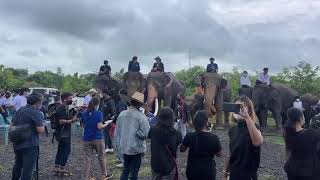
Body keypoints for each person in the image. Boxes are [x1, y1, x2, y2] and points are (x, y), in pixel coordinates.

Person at [224, 96, 264, 180]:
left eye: (243, 107)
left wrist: (246, 117)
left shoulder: (255, 127)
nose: (240, 110)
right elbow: (231, 153)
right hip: (234, 173)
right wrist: (226, 173)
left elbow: (258, 142)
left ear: (249, 110)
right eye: (237, 107)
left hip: (248, 174)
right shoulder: (233, 130)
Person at [114, 92, 150, 180]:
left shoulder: (121, 114)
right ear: (140, 104)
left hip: (124, 147)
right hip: (136, 149)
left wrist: (118, 145)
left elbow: (117, 132)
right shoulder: (141, 117)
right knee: (134, 172)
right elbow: (146, 133)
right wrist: (138, 134)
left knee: (126, 170)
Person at [11, 92, 45, 180]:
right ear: (38, 102)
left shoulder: (20, 110)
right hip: (30, 144)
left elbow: (11, 125)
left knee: (18, 165)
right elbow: (40, 130)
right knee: (28, 169)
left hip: (17, 143)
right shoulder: (35, 112)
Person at [180, 110, 222, 180]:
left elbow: (182, 149)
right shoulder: (214, 137)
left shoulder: (190, 136)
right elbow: (219, 154)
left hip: (192, 170)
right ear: (206, 123)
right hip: (208, 171)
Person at [81, 97, 113, 180]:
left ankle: (86, 177)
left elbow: (83, 125)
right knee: (101, 157)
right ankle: (104, 174)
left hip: (87, 139)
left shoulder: (84, 113)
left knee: (87, 160)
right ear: (98, 104)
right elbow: (99, 126)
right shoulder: (99, 113)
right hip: (97, 138)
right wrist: (106, 124)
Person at [283, 107, 320, 180]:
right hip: (309, 170)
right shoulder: (310, 134)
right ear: (299, 118)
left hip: (292, 168)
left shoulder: (287, 132)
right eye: (303, 115)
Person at [149, 107, 182, 180]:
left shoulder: (153, 130)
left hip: (155, 165)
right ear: (171, 117)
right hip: (169, 166)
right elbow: (178, 145)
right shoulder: (175, 133)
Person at [53, 92, 78, 177]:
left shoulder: (66, 107)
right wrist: (71, 121)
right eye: (70, 98)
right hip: (63, 133)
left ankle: (57, 167)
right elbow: (61, 121)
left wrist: (74, 114)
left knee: (61, 149)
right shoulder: (61, 108)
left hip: (63, 132)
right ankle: (62, 168)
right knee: (66, 150)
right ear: (64, 99)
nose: (71, 100)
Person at [113, 89, 129, 168]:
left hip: (121, 123)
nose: (119, 95)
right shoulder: (126, 102)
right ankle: (120, 157)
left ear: (123, 95)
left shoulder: (122, 102)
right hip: (124, 123)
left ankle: (123, 160)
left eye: (120, 94)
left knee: (120, 141)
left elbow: (121, 113)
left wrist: (114, 117)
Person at [100, 89, 116, 153]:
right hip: (103, 119)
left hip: (107, 120)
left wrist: (110, 119)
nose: (102, 95)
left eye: (103, 93)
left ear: (105, 93)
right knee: (106, 134)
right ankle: (110, 147)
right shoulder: (104, 100)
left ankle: (107, 147)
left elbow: (113, 111)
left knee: (106, 134)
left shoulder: (110, 101)